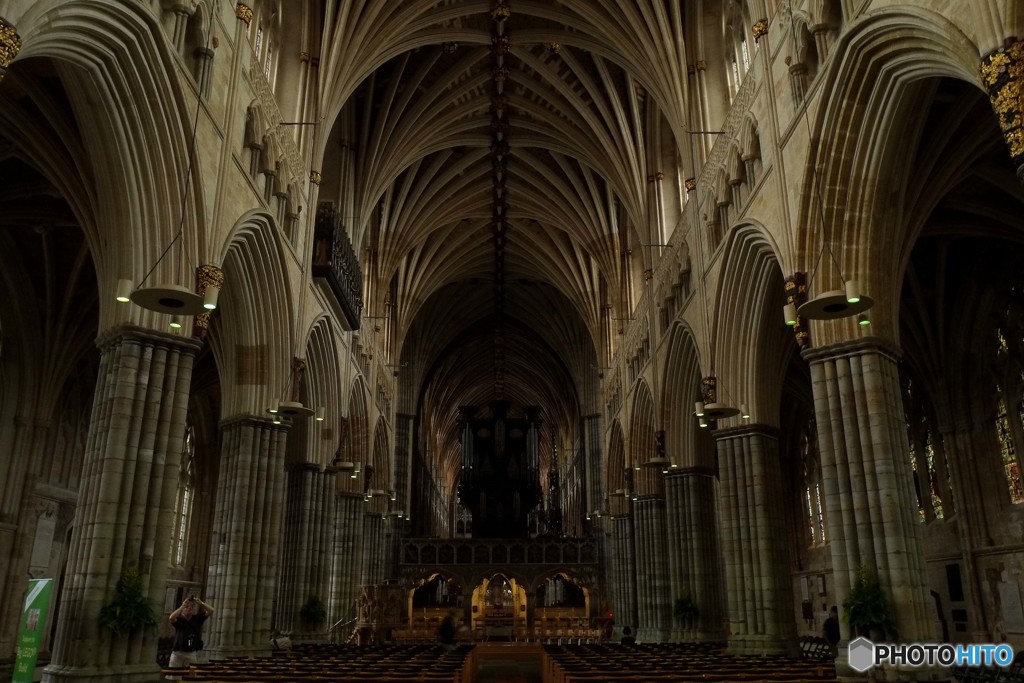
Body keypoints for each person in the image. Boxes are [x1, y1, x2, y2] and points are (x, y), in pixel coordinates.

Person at [168, 595, 213, 670]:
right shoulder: (179, 620)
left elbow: (211, 610)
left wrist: (201, 603)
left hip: (191, 652)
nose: (189, 608)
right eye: (187, 607)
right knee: (174, 674)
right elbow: (171, 617)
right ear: (182, 610)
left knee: (190, 673)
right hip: (178, 651)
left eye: (192, 607)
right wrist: (183, 606)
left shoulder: (197, 619)